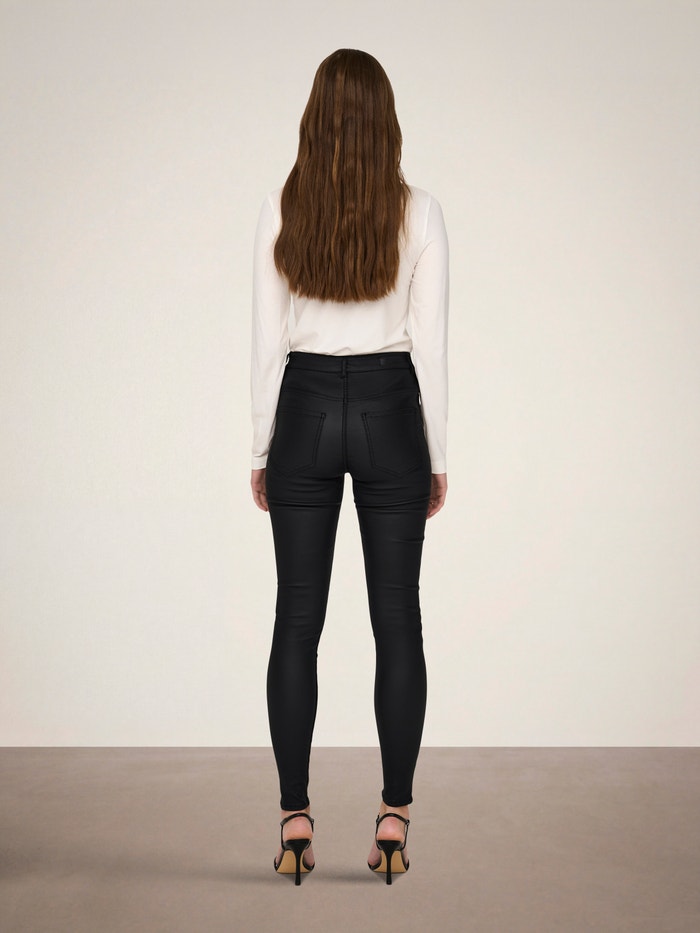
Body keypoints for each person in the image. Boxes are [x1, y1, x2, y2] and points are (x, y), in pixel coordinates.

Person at [250, 48, 448, 886]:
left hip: (302, 410)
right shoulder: (420, 212)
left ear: (315, 117)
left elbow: (267, 342)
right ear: (386, 120)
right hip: (390, 410)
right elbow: (430, 345)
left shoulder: (283, 205)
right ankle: (393, 820)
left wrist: (262, 447)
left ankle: (295, 822)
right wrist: (438, 453)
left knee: (297, 618)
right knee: (397, 618)